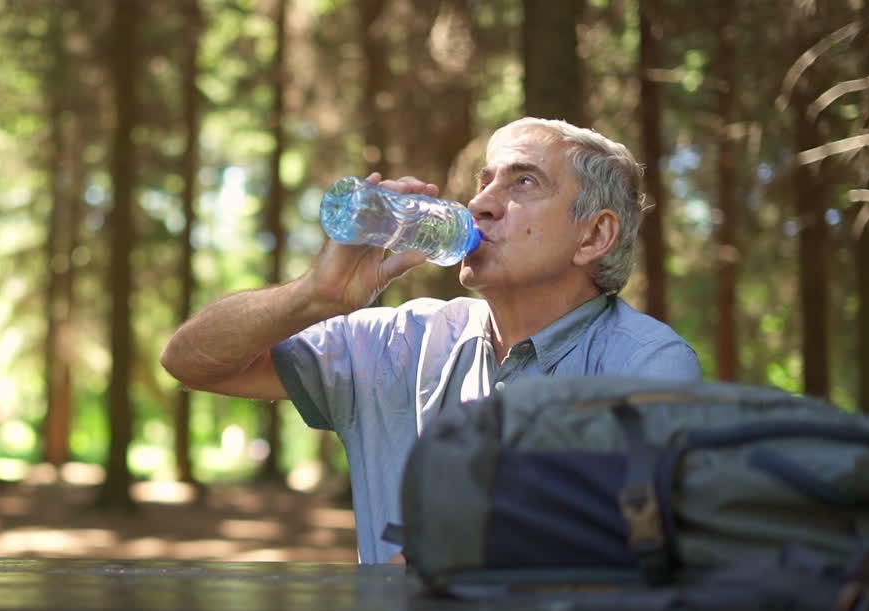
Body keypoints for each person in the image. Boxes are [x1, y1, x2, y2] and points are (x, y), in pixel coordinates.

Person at [160, 117, 702, 563]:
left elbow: (612, 538)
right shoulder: (402, 342)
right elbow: (191, 360)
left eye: (524, 183)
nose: (483, 203)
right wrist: (315, 295)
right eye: (484, 181)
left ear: (594, 236)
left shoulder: (645, 364)